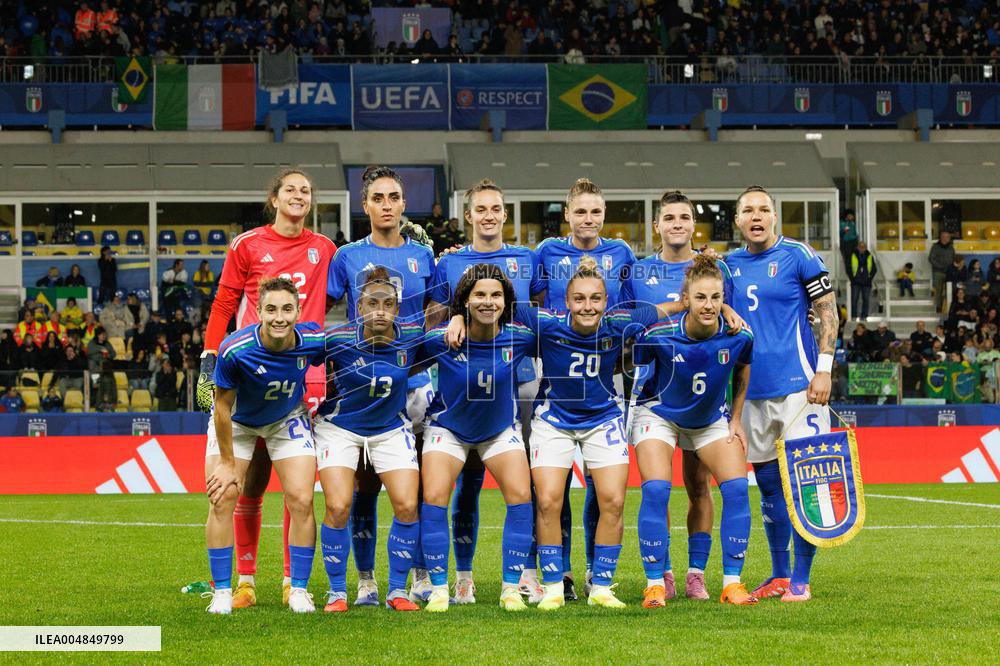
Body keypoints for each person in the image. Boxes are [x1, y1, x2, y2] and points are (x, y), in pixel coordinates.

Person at [195, 168, 336, 611]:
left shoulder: (325, 248)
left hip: (302, 370)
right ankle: (245, 580)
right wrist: (208, 358)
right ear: (274, 199)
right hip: (248, 371)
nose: (298, 196)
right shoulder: (248, 245)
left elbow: (357, 284)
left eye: (306, 191)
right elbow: (223, 303)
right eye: (289, 190)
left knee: (298, 492)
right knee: (246, 487)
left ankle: (294, 584)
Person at [425, 179, 546, 604]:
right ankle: (458, 577)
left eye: (497, 208)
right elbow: (432, 322)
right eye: (482, 209)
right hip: (461, 385)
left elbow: (545, 315)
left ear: (505, 214)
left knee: (532, 484)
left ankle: (527, 574)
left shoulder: (529, 258)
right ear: (470, 215)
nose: (490, 215)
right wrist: (452, 320)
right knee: (466, 488)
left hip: (522, 379)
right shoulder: (450, 264)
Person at [621, 189, 745, 602]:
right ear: (657, 225)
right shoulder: (637, 271)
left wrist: (722, 310)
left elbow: (740, 341)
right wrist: (677, 308)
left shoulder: (717, 269)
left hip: (707, 405)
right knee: (656, 488)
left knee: (702, 488)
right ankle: (659, 578)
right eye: (669, 217)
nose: (677, 223)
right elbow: (626, 325)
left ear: (694, 224)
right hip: (656, 399)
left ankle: (703, 576)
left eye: (684, 217)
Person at [325, 166, 436, 606]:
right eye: (378, 198)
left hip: (417, 379)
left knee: (421, 484)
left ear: (404, 205)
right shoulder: (346, 257)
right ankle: (367, 579)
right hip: (362, 382)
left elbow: (439, 310)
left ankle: (420, 573)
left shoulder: (424, 257)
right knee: (364, 485)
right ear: (365, 205)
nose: (387, 205)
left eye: (394, 197)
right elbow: (322, 310)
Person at [726, 185, 839, 602]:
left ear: (775, 217)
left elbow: (828, 311)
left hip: (800, 390)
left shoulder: (799, 255)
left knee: (806, 484)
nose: (756, 216)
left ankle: (802, 579)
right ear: (737, 221)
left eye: (764, 209)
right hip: (750, 392)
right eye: (748, 211)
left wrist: (824, 370)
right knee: (770, 488)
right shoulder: (729, 266)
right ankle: (778, 574)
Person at [534, 178, 636, 600]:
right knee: (550, 496)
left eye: (595, 211)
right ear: (568, 215)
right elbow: (526, 301)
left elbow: (634, 307)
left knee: (604, 489)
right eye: (581, 211)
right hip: (556, 367)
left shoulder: (622, 254)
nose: (588, 218)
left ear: (604, 215)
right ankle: (559, 578)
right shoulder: (546, 252)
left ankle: (600, 574)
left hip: (603, 373)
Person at [416, 264, 537, 613]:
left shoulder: (522, 337)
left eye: (495, 295)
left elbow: (563, 339)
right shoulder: (442, 338)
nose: (488, 302)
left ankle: (511, 588)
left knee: (520, 496)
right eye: (479, 295)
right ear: (465, 301)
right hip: (448, 429)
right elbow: (401, 362)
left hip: (499, 431)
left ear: (506, 300)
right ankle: (440, 589)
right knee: (435, 496)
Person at [202, 277, 327, 615]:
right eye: (271, 309)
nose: (279, 317)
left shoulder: (313, 339)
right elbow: (222, 408)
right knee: (223, 496)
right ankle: (223, 592)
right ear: (258, 311)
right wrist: (227, 462)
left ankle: (299, 590)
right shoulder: (235, 349)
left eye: (287, 309)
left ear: (299, 311)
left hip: (286, 418)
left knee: (302, 499)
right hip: (238, 422)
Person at [314, 267, 425, 613]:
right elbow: (292, 353)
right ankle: (336, 592)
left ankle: (396, 591)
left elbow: (454, 342)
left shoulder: (414, 337)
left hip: (390, 428)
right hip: (340, 427)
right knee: (337, 506)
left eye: (388, 303)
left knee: (407, 506)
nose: (380, 310)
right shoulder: (336, 339)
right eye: (372, 303)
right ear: (359, 307)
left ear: (397, 308)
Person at [848, 241, 877, 320]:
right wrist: (852, 278)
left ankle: (864, 316)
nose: (862, 249)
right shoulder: (853, 255)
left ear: (866, 248)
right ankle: (853, 316)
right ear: (857, 247)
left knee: (866, 300)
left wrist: (869, 278)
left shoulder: (870, 256)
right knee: (854, 300)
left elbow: (874, 269)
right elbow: (849, 268)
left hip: (867, 283)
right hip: (855, 282)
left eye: (863, 247)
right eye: (860, 247)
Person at [928, 231, 954, 313]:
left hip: (949, 273)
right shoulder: (935, 247)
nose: (946, 238)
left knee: (949, 290)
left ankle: (948, 307)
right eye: (944, 236)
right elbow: (931, 259)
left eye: (948, 237)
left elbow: (953, 258)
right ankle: (937, 308)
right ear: (941, 237)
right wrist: (940, 266)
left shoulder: (951, 248)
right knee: (938, 291)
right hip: (938, 272)